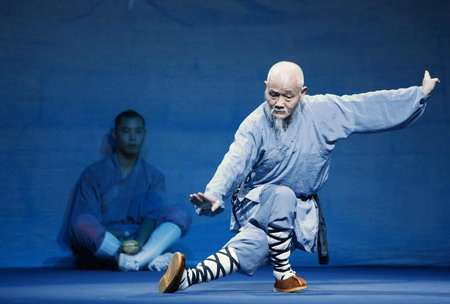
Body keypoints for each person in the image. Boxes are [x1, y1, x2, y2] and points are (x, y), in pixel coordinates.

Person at [158, 62, 440, 293]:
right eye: (273, 94)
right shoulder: (255, 124)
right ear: (265, 89)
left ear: (302, 92)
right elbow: (236, 158)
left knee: (252, 248)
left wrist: (418, 95)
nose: (279, 103)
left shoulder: (325, 111)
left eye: (288, 96)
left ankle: (185, 280)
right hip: (259, 202)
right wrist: (215, 194)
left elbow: (366, 107)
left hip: (297, 212)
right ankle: (283, 276)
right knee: (282, 194)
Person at [69, 110, 191, 271]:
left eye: (138, 131)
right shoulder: (94, 173)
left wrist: (138, 243)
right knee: (81, 223)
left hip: (142, 241)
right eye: (126, 131)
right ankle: (145, 259)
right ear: (115, 134)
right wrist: (119, 238)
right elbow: (88, 216)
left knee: (180, 214)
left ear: (144, 134)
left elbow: (151, 217)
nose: (132, 137)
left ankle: (136, 261)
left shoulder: (153, 176)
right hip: (108, 240)